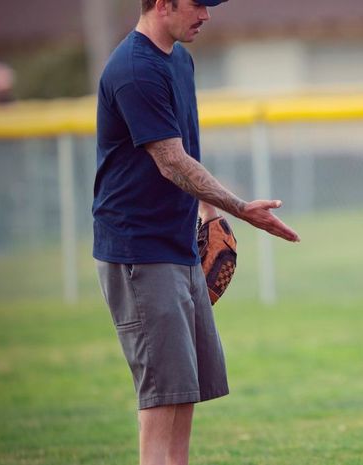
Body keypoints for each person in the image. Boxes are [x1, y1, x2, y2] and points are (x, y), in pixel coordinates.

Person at [92, 1, 300, 465]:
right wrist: (242, 210)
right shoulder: (134, 69)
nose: (207, 14)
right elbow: (169, 161)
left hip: (177, 243)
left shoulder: (178, 59)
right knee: (162, 395)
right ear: (162, 3)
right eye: (198, 3)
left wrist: (207, 211)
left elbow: (186, 147)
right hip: (139, 251)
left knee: (185, 390)